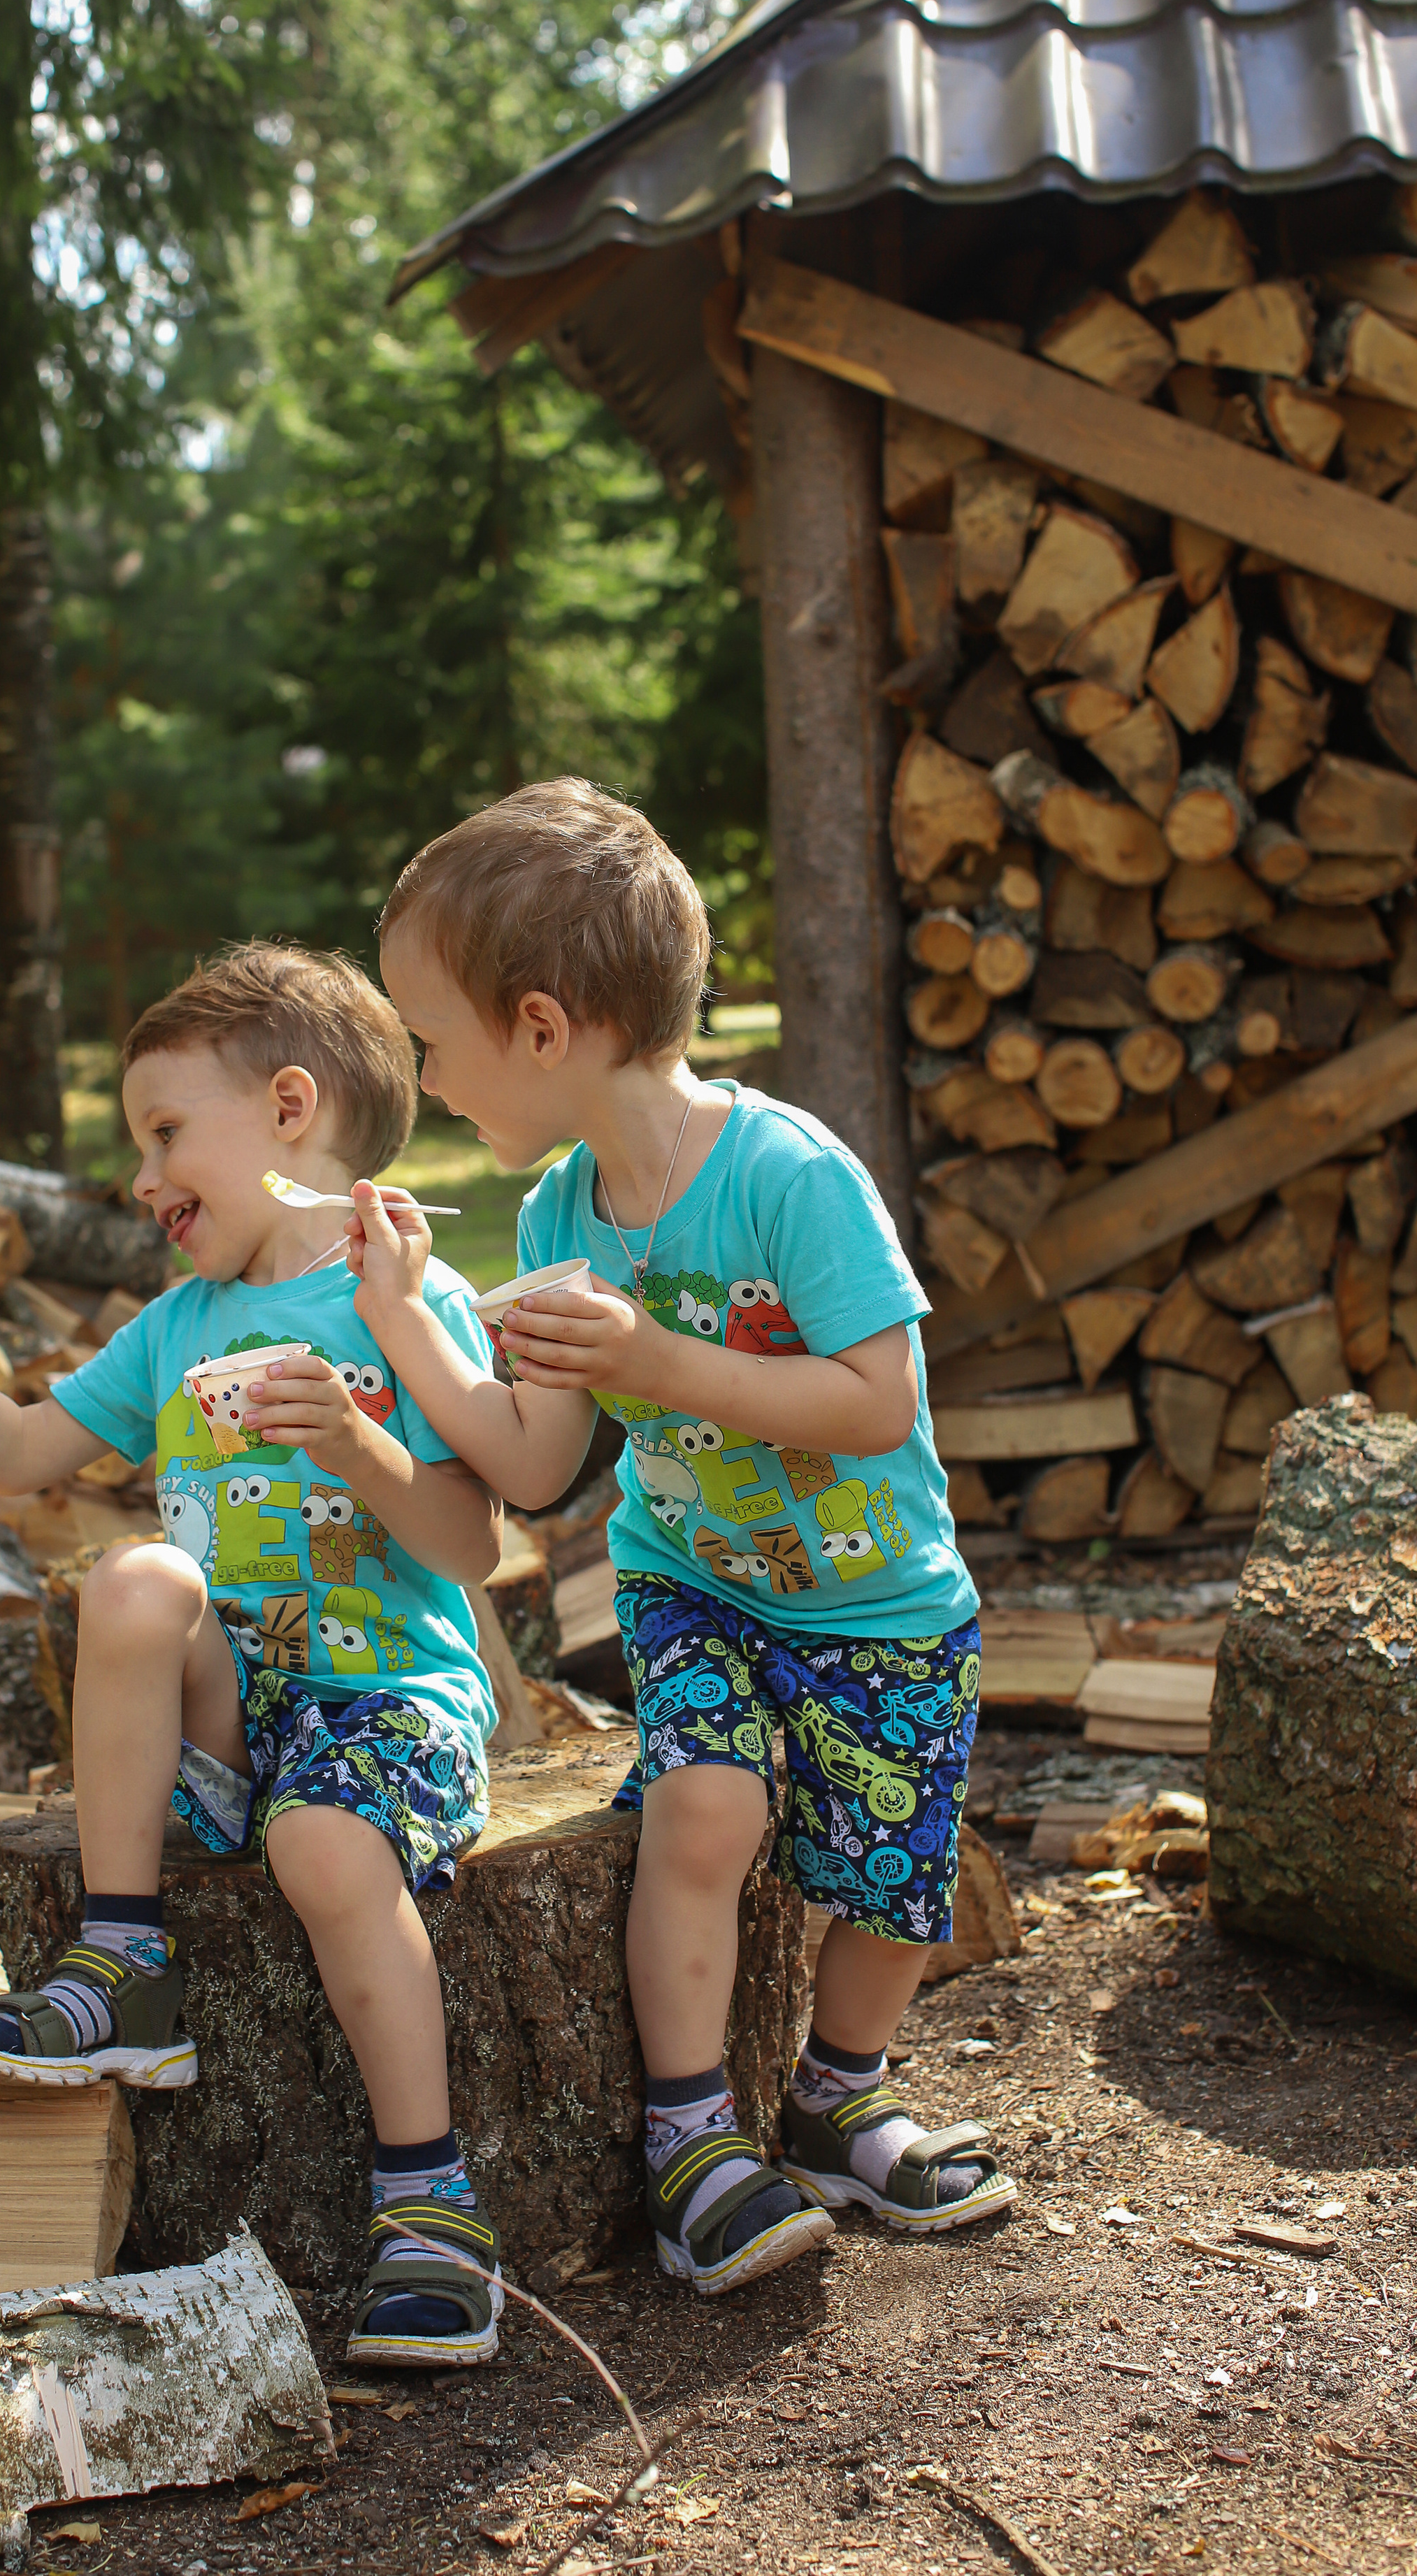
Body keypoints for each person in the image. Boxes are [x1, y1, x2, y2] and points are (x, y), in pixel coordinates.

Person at [351, 779, 1016, 2299]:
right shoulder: (553, 1220)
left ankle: (839, 2094)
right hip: (691, 1579)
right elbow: (530, 1464)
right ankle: (691, 2142)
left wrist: (654, 1362)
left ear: (536, 1027)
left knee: (890, 1882)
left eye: (428, 1039)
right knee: (701, 1814)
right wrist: (405, 1324)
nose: (426, 1076)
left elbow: (871, 1403)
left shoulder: (787, 1177)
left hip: (880, 1601)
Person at [0, 942, 511, 2368]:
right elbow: (16, 1459)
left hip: (386, 1705)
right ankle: (122, 1961)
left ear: (286, 1109)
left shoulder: (402, 1305)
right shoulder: (174, 1328)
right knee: (137, 1574)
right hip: (230, 1711)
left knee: (326, 1853)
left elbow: (469, 1549)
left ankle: (430, 2205)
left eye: (162, 1132)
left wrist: (352, 1434)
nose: (143, 1178)